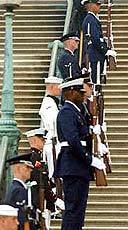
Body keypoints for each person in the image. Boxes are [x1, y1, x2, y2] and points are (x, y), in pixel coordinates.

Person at [54, 77, 106, 229]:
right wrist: (89, 159)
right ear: (71, 93)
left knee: (79, 211)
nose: (83, 95)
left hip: (77, 166)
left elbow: (80, 135)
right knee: (73, 210)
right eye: (79, 92)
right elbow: (73, 140)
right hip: (73, 164)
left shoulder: (76, 111)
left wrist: (92, 132)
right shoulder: (67, 112)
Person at [81, 0, 117, 83]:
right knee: (95, 81)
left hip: (97, 55)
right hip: (95, 55)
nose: (99, 6)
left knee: (99, 79)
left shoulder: (93, 19)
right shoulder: (90, 19)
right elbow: (94, 39)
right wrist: (106, 50)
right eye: (97, 4)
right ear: (90, 5)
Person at [4, 153, 36, 230]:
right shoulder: (19, 190)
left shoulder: (15, 188)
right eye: (27, 167)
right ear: (18, 168)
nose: (31, 170)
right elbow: (22, 219)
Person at [39, 77, 63, 178]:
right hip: (53, 142)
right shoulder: (49, 104)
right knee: (54, 175)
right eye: (59, 87)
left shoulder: (54, 103)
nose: (61, 89)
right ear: (52, 87)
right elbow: (53, 123)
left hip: (56, 142)